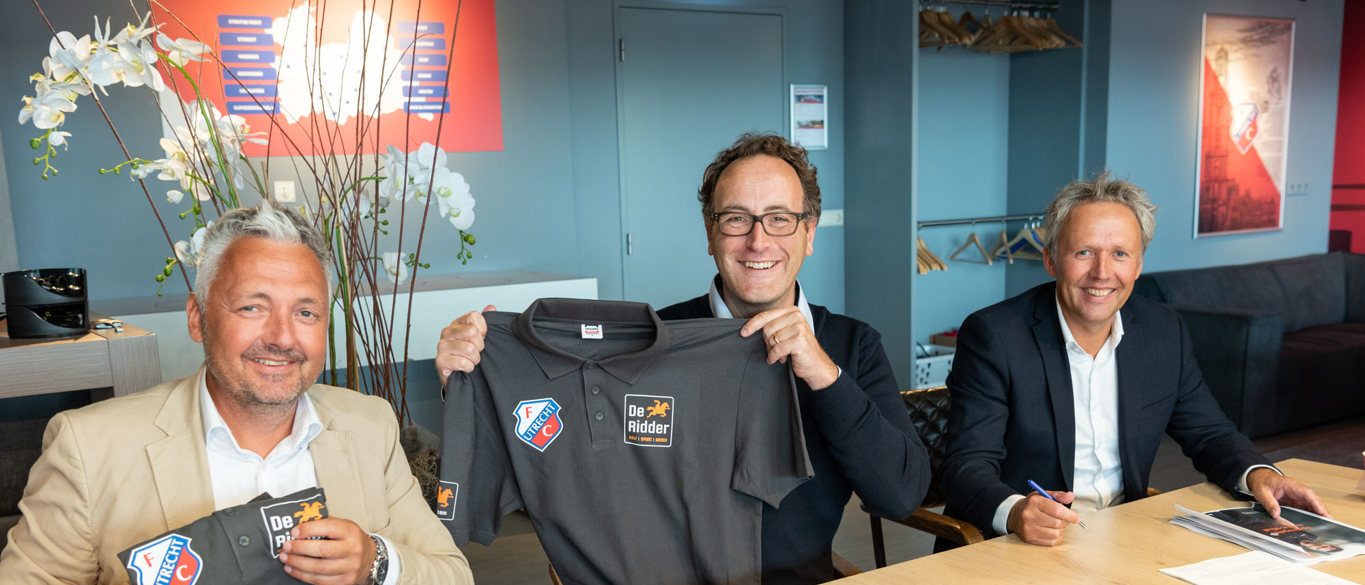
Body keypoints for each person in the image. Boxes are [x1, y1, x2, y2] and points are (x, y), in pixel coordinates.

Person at [436, 133, 930, 583]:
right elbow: (563, 469)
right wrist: (475, 381)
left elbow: (901, 494)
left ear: (810, 232)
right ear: (710, 234)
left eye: (780, 218)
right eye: (736, 218)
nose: (758, 240)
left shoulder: (851, 345)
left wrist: (825, 376)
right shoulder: (653, 341)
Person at [0, 202, 472, 585]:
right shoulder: (89, 447)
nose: (282, 337)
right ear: (197, 318)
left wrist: (376, 562)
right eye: (252, 307)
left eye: (306, 313)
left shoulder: (369, 423)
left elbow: (452, 574)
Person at [941, 171, 1329, 548]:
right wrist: (1014, 511)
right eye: (1084, 252)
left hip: (1123, 538)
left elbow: (1209, 433)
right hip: (1021, 545)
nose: (1101, 273)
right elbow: (966, 465)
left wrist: (1259, 474)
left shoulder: (1162, 331)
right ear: (1051, 260)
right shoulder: (996, 336)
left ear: (1139, 265)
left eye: (1120, 254)